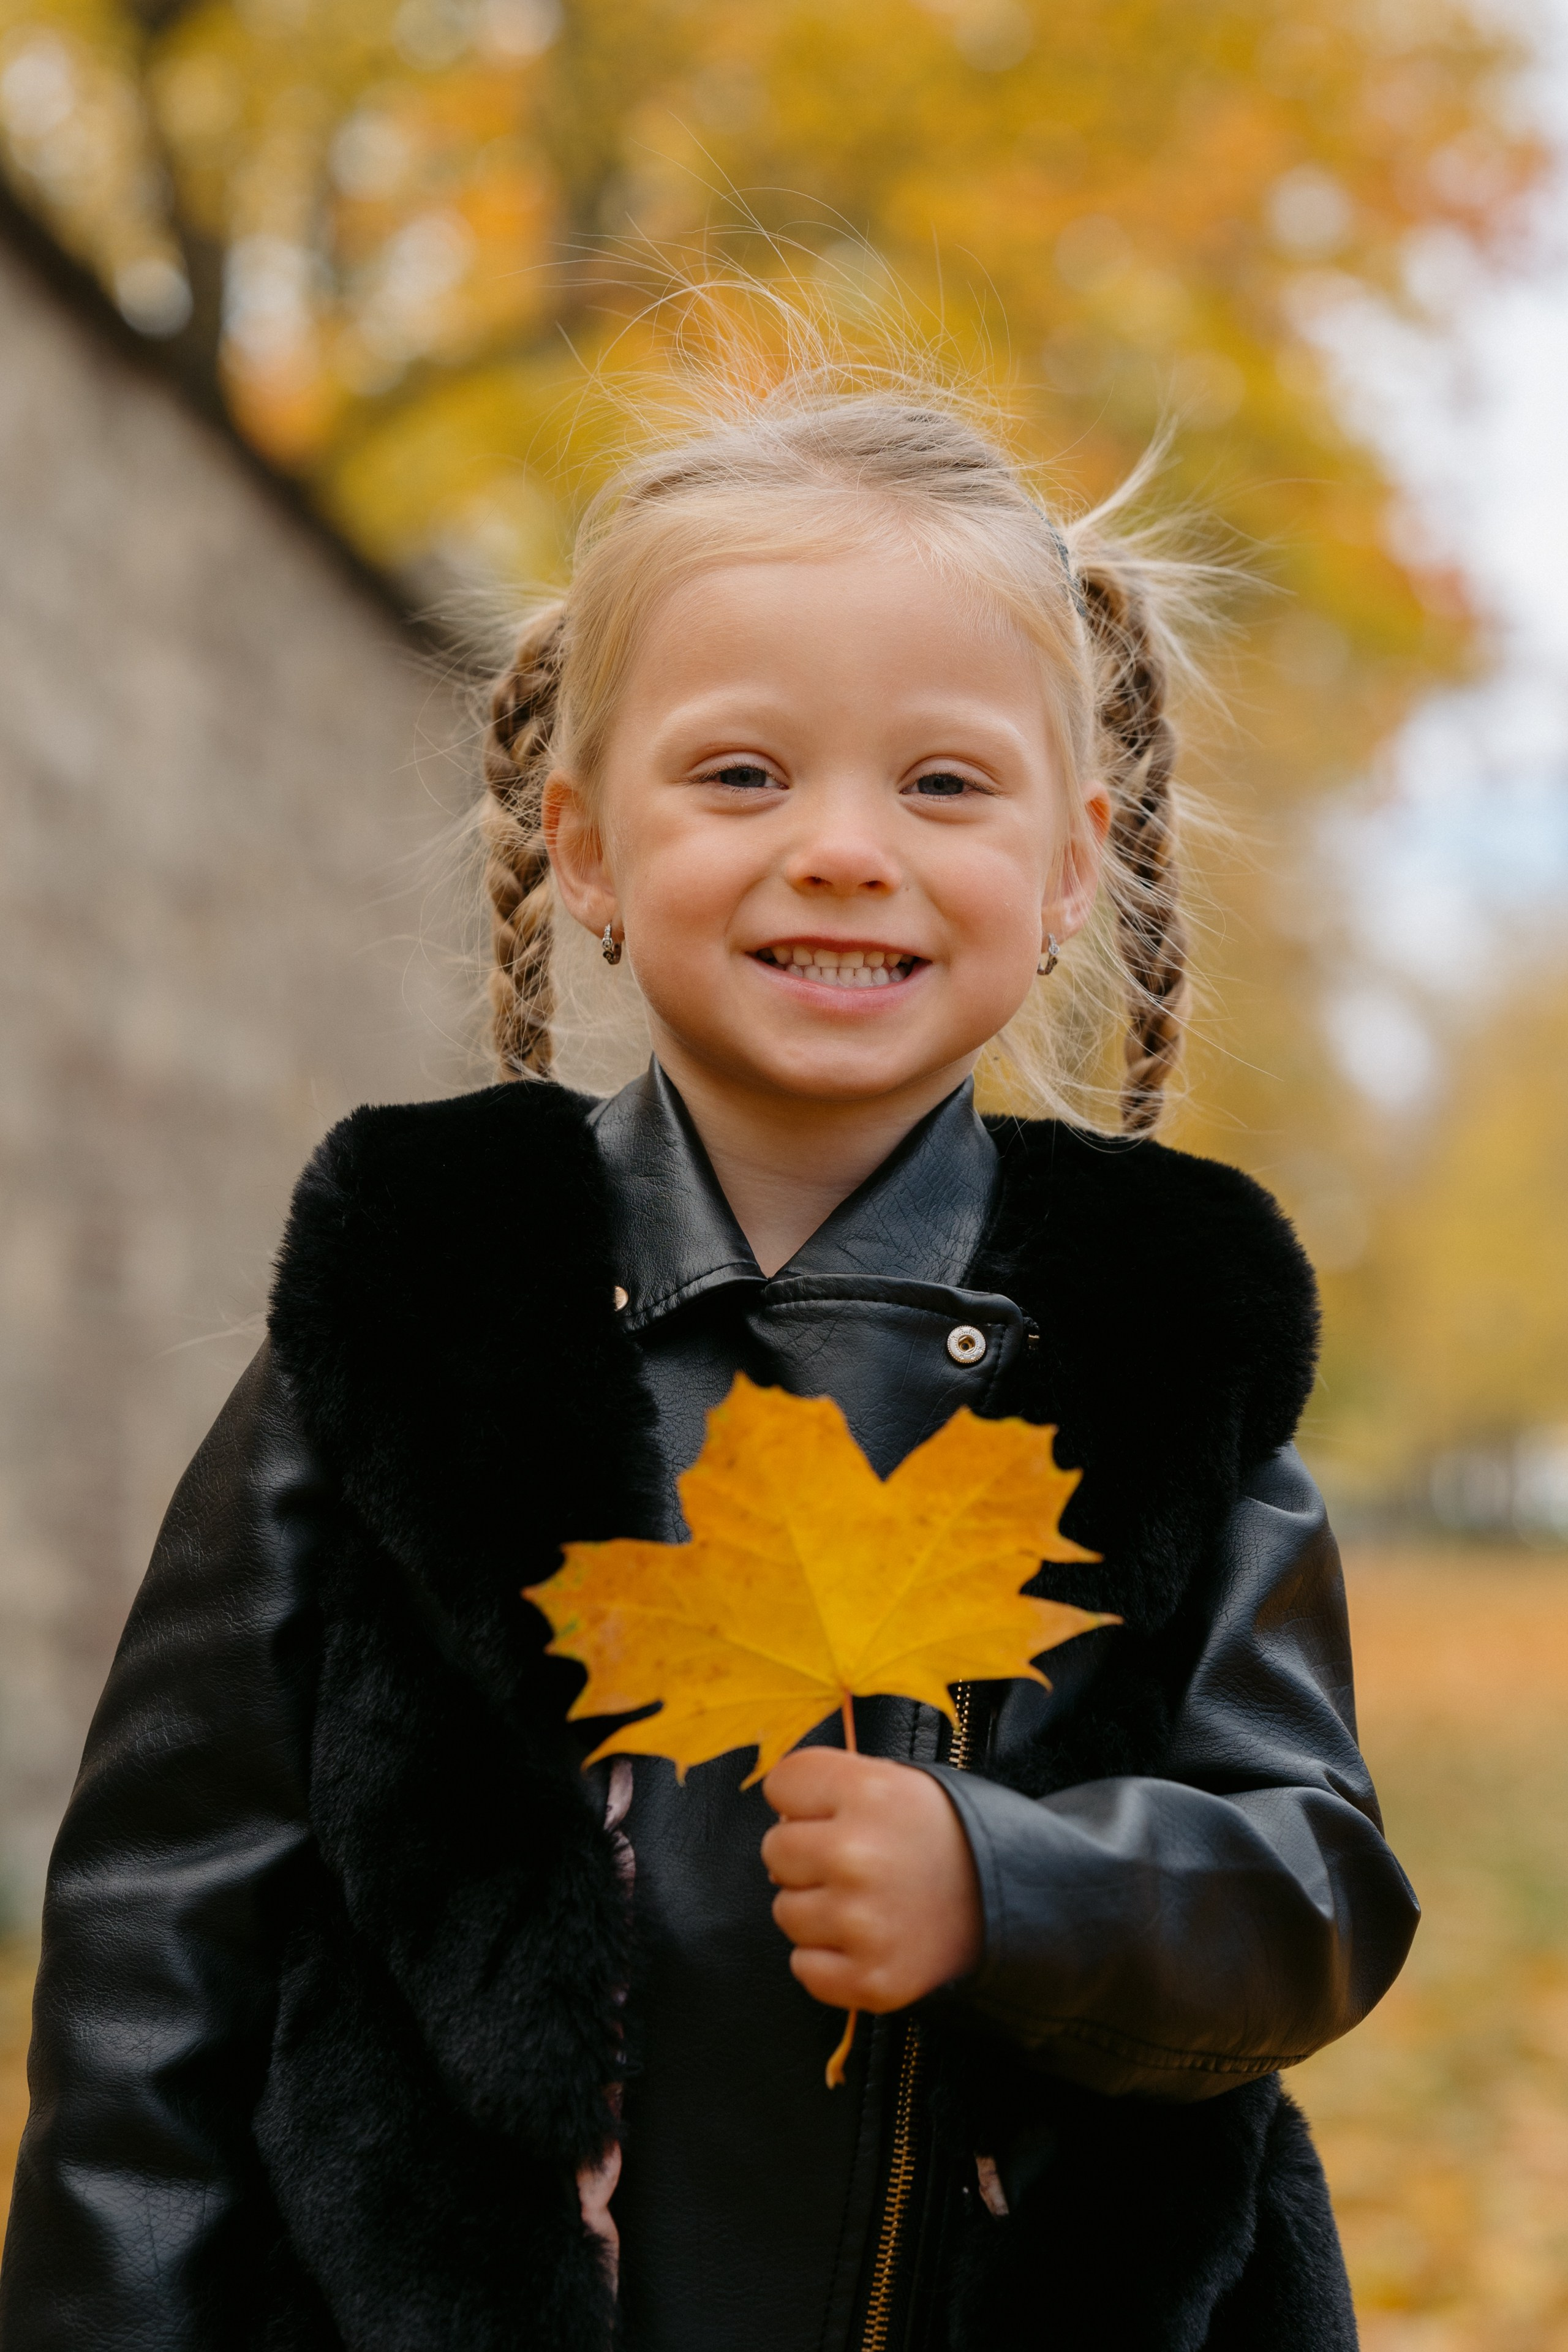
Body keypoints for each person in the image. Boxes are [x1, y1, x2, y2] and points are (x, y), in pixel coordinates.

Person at [0, 375, 1419, 2352]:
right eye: (742, 776)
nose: (844, 852)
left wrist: (1010, 1890)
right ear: (583, 842)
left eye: (942, 785)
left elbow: (1313, 1894)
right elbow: (165, 1929)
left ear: (1077, 862)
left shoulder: (1155, 1339)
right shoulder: (426, 1302)